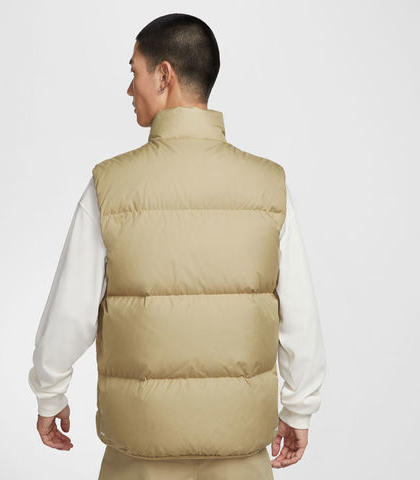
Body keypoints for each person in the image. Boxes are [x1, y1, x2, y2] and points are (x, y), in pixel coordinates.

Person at [28, 13, 326, 480]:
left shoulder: (110, 186)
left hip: (140, 456)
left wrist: (50, 395)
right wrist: (299, 408)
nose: (130, 89)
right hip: (240, 453)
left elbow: (70, 312)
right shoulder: (270, 187)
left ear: (164, 75)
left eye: (134, 72)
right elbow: (300, 316)